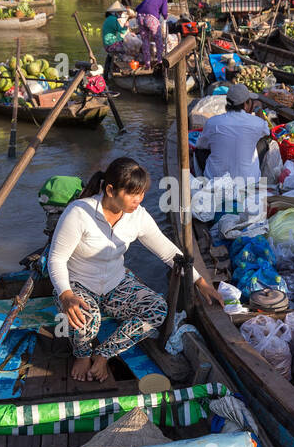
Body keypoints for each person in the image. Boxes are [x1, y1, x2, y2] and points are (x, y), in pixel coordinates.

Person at [49, 158, 219, 382]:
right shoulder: (79, 213)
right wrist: (66, 295)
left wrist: (200, 281)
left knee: (158, 310)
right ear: (110, 190)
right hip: (78, 285)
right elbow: (56, 259)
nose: (138, 200)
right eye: (132, 194)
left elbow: (167, 251)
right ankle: (81, 354)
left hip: (115, 284)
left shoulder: (137, 216)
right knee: (86, 322)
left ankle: (103, 354)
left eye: (141, 193)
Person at [195, 82, 271, 181]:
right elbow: (267, 132)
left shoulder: (212, 122)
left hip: (216, 179)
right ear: (245, 104)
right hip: (248, 181)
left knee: (200, 150)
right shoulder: (256, 123)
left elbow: (201, 145)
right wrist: (258, 109)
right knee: (263, 143)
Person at [135, 0, 169, 67]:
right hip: (150, 19)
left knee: (145, 41)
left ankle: (147, 63)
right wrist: (166, 17)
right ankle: (160, 61)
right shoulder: (163, 0)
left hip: (140, 18)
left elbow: (137, 8)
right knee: (158, 40)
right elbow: (164, 13)